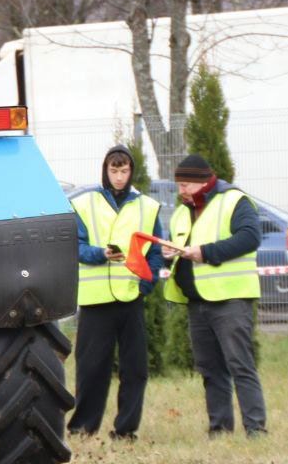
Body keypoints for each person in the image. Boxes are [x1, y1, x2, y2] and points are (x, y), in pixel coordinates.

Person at [161, 153, 268, 437]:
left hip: (231, 299)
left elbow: (250, 238)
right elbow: (183, 249)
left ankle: (255, 428)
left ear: (202, 181)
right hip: (197, 303)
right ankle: (219, 428)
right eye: (179, 185)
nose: (181, 190)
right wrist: (169, 255)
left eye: (185, 184)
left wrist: (206, 253)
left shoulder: (234, 201)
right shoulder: (183, 211)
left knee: (240, 365)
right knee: (210, 370)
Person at [68, 144, 164, 440]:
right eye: (114, 170)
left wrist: (145, 286)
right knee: (91, 369)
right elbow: (76, 246)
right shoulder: (85, 204)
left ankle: (126, 430)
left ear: (131, 172)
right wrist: (100, 254)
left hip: (130, 298)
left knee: (135, 370)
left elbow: (155, 251)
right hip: (96, 301)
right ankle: (83, 427)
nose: (120, 177)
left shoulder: (147, 207)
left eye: (124, 171)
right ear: (105, 171)